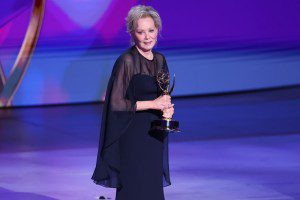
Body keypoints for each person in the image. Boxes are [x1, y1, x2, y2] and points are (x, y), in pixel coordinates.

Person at [92, 5, 174, 200]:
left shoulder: (160, 60)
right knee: (134, 184)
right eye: (141, 32)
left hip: (155, 133)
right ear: (132, 33)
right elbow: (116, 104)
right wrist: (153, 104)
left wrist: (166, 109)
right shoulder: (127, 61)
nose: (147, 37)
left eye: (151, 31)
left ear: (158, 30)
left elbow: (163, 94)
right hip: (132, 133)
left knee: (151, 184)